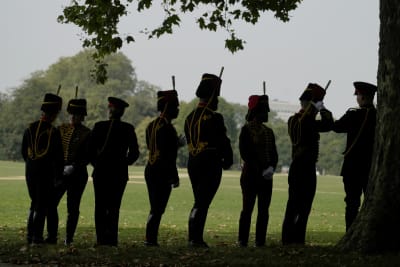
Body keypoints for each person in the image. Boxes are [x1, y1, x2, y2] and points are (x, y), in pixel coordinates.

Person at [184, 73, 233, 248]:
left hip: (193, 162)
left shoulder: (189, 117)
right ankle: (194, 238)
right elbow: (223, 141)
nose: (217, 100)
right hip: (210, 163)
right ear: (212, 96)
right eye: (216, 96)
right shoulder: (215, 117)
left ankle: (194, 236)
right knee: (202, 202)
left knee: (199, 200)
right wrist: (227, 159)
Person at [281, 83, 333, 245]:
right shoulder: (298, 120)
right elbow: (324, 124)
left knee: (304, 205)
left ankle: (297, 238)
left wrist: (320, 109)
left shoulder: (305, 120)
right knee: (296, 204)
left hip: (306, 166)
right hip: (301, 166)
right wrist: (320, 110)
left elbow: (328, 125)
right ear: (310, 104)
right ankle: (290, 238)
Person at [89, 96, 140, 246]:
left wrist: (96, 164)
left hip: (101, 173)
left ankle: (100, 239)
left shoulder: (99, 126)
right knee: (114, 207)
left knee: (100, 206)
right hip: (119, 174)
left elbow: (90, 150)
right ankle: (111, 239)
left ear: (109, 110)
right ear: (121, 112)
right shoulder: (128, 128)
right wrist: (124, 163)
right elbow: (134, 153)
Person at [332, 81, 377, 231]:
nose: (356, 98)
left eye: (357, 95)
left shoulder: (354, 114)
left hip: (352, 168)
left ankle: (350, 231)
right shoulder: (377, 115)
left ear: (362, 97)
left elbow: (337, 127)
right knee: (371, 202)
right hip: (371, 167)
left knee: (352, 203)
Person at [46, 98, 91, 245]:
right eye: (72, 114)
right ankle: (52, 236)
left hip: (78, 175)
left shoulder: (87, 133)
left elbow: (88, 155)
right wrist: (59, 168)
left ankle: (69, 239)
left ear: (82, 116)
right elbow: (53, 151)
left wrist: (75, 166)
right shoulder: (60, 129)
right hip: (60, 173)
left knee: (73, 208)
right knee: (51, 204)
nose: (73, 117)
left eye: (77, 114)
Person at [21, 93, 64, 244]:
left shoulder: (29, 128)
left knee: (34, 202)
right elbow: (59, 158)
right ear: (53, 114)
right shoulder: (53, 132)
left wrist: (32, 164)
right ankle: (36, 237)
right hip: (45, 173)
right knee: (42, 205)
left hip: (30, 171)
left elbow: (24, 152)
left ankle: (30, 235)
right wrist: (58, 177)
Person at [237, 94, 278, 248]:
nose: (266, 114)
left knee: (263, 210)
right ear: (256, 112)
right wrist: (259, 167)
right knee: (247, 210)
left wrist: (271, 167)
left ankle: (260, 240)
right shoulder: (246, 130)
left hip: (266, 177)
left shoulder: (269, 132)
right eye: (263, 111)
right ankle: (242, 240)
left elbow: (274, 154)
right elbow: (245, 153)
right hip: (250, 176)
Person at [144, 89, 182, 246]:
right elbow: (169, 155)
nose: (177, 110)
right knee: (158, 208)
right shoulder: (168, 128)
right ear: (167, 107)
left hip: (150, 168)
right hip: (162, 171)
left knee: (155, 206)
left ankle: (150, 238)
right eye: (175, 107)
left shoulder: (151, 125)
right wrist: (174, 176)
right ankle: (150, 239)